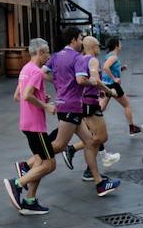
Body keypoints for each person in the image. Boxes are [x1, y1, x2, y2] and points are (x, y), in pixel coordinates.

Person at [45, 28, 118, 197]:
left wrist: (60, 82)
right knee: (59, 145)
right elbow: (82, 80)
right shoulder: (82, 59)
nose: (81, 41)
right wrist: (101, 87)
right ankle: (28, 165)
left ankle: (99, 182)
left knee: (90, 141)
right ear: (73, 40)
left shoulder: (57, 56)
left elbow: (43, 73)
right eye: (80, 38)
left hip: (74, 105)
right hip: (71, 105)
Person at [4, 37, 54, 216]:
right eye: (47, 52)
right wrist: (45, 106)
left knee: (39, 163)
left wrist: (40, 99)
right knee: (50, 164)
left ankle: (30, 201)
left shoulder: (25, 69)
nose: (49, 55)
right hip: (36, 125)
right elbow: (26, 95)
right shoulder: (37, 72)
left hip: (26, 123)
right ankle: (16, 184)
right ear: (40, 52)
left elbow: (17, 96)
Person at [80, 36, 120, 175]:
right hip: (90, 103)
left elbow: (87, 80)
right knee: (100, 137)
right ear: (92, 47)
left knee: (95, 136)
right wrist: (109, 91)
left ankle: (90, 169)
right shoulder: (93, 60)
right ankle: (72, 150)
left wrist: (99, 92)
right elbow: (96, 80)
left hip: (85, 100)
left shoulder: (81, 59)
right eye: (98, 45)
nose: (99, 48)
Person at [100, 37, 142, 136]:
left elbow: (110, 67)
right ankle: (132, 128)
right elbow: (105, 67)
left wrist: (120, 68)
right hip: (112, 85)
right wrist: (114, 78)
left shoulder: (109, 55)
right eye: (120, 43)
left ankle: (88, 121)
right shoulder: (113, 57)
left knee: (101, 108)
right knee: (127, 105)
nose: (121, 46)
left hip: (106, 84)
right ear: (116, 46)